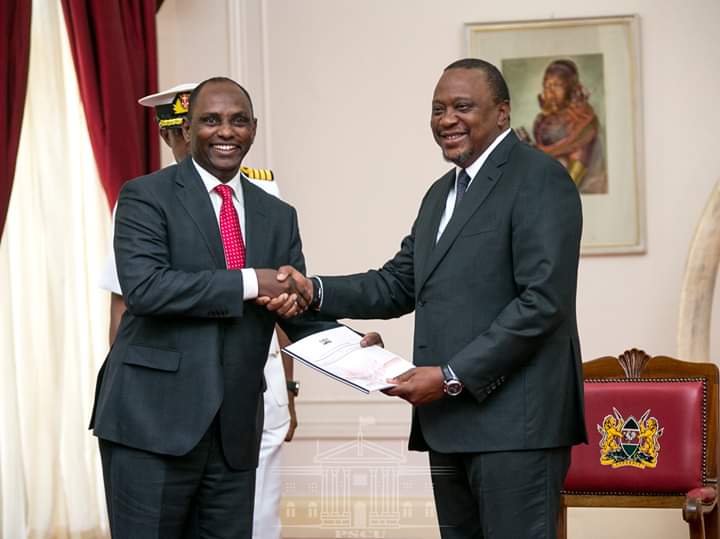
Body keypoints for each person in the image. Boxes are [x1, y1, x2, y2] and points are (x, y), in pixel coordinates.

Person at [266, 59, 586, 538]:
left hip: (517, 430)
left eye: (462, 107)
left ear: (502, 113)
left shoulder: (539, 178)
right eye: (437, 109)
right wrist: (314, 290)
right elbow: (398, 283)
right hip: (449, 422)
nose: (446, 120)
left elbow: (542, 302)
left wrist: (453, 377)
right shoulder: (441, 193)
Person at [90, 76, 354, 539]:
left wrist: (358, 353)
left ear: (254, 128)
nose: (225, 132)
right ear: (187, 129)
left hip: (234, 430)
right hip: (151, 424)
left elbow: (293, 306)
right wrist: (253, 281)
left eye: (238, 121)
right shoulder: (144, 196)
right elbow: (147, 289)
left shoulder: (279, 214)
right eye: (210, 121)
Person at [525, 58, 607, 194]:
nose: (549, 92)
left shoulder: (582, 122)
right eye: (546, 85)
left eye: (557, 85)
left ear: (571, 88)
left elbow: (570, 182)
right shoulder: (543, 120)